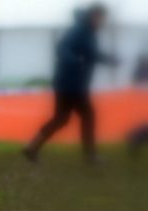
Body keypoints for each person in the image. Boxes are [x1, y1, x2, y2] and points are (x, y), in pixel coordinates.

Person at [23, 4, 117, 164]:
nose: (103, 21)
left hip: (70, 83)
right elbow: (62, 48)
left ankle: (32, 147)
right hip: (72, 84)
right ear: (94, 16)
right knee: (87, 116)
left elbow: (91, 54)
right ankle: (90, 155)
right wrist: (75, 62)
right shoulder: (80, 30)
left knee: (61, 118)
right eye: (101, 17)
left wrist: (109, 60)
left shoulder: (86, 31)